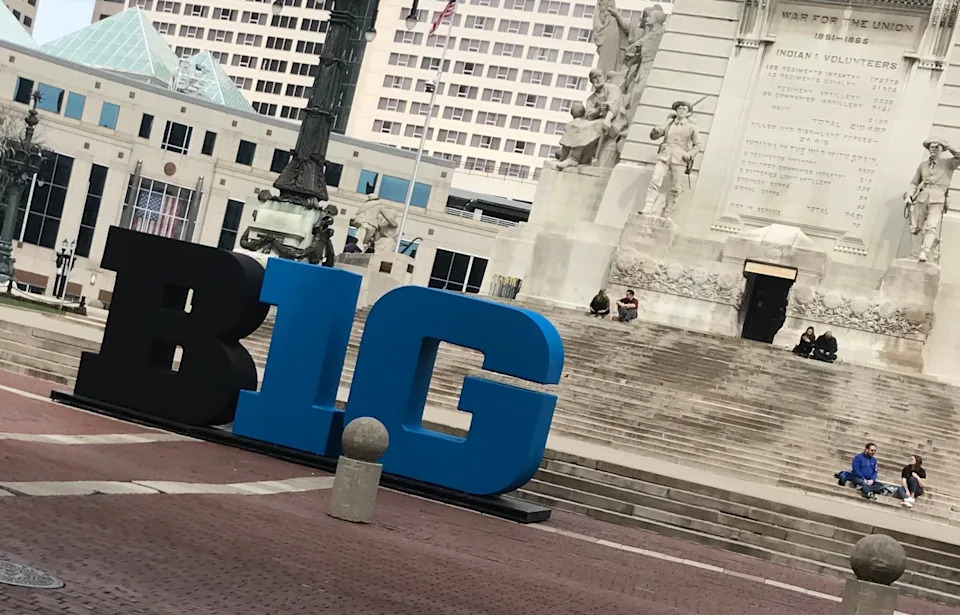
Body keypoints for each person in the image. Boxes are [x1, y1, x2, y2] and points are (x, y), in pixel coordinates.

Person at [904, 137, 960, 262]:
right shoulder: (923, 165)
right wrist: (909, 195)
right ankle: (914, 253)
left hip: (938, 198)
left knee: (931, 226)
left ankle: (924, 251)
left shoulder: (949, 163)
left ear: (942, 149)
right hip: (922, 198)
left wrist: (947, 145)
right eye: (931, 146)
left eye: (937, 147)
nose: (933, 149)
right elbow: (914, 182)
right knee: (915, 227)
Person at [642, 100, 701, 218]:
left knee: (675, 187)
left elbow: (698, 145)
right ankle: (648, 206)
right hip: (664, 155)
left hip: (680, 158)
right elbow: (654, 137)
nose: (681, 110)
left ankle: (668, 211)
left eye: (684, 109)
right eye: (679, 108)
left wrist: (690, 154)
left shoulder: (692, 127)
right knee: (655, 180)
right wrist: (656, 131)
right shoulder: (668, 123)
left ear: (688, 112)